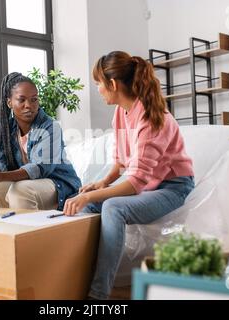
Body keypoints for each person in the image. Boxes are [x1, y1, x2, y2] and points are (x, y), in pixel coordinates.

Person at [63, 51, 195, 299]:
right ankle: (72, 282)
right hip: (150, 186)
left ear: (112, 84)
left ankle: (98, 295)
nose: (98, 90)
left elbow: (135, 182)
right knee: (80, 201)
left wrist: (95, 197)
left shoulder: (152, 119)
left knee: (112, 207)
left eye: (98, 84)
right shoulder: (120, 113)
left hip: (174, 187)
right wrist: (100, 184)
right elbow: (121, 162)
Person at [0, 72, 81, 211]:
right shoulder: (6, 129)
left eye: (34, 99)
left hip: (58, 184)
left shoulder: (50, 126)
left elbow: (41, 168)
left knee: (20, 189)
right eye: (21, 100)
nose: (28, 105)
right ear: (9, 102)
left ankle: (25, 231)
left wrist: (0, 176)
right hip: (29, 184)